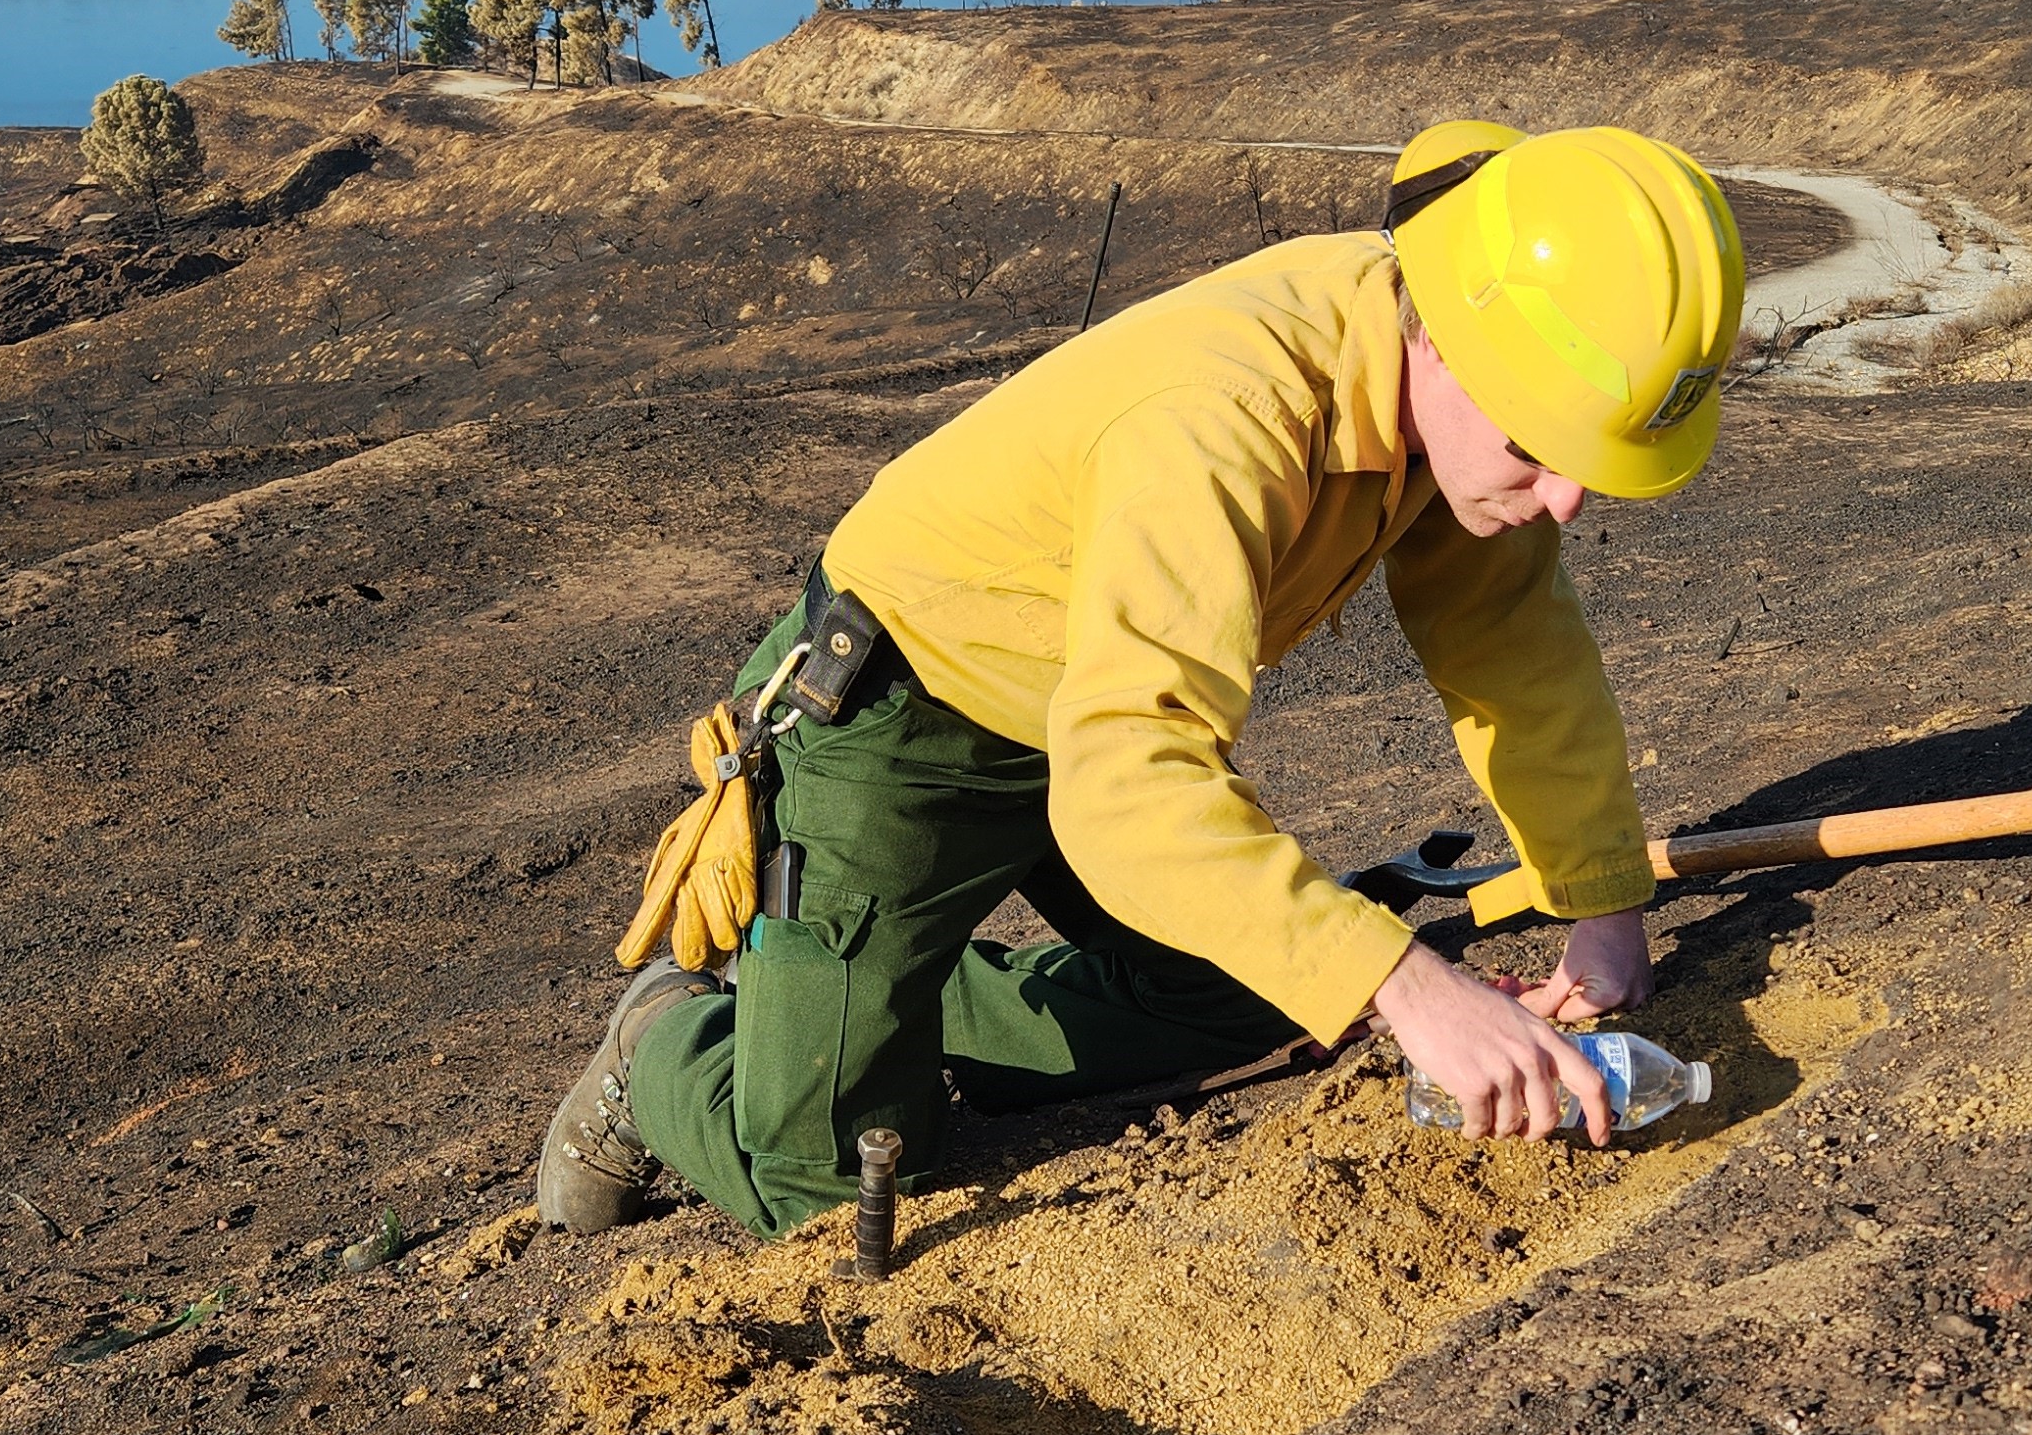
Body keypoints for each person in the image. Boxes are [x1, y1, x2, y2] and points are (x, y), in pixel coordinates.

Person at [538, 120, 1749, 1237]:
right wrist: (1412, 989)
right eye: (1541, 450)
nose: (1567, 498)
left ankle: (868, 981)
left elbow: (1512, 647)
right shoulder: (1223, 418)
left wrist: (1601, 904)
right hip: (903, 719)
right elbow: (1133, 788)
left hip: (1092, 718)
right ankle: (674, 1036)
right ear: (1440, 331)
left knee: (1249, 1000)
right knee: (830, 1193)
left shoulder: (1462, 385)